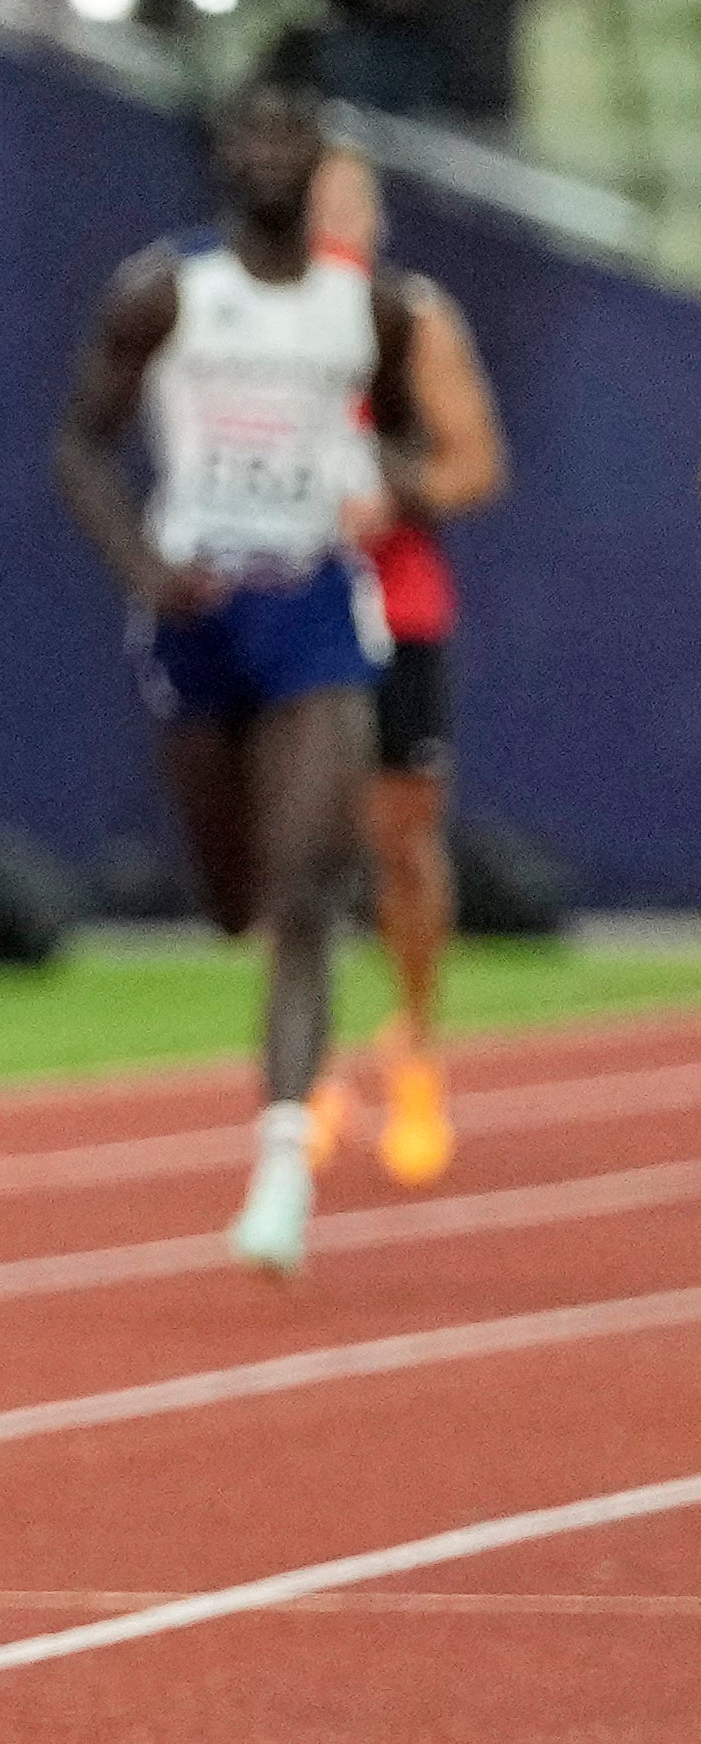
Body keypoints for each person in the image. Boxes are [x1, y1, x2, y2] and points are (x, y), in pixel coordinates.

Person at [54, 44, 421, 1279]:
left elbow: (415, 445)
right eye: (246, 133)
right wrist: (142, 570)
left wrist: (383, 487)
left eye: (289, 133)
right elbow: (76, 447)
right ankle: (262, 1005)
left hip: (309, 601)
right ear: (220, 154)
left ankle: (278, 1171)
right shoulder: (164, 293)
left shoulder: (364, 308)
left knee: (308, 884)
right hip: (195, 609)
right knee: (231, 900)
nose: (267, 152)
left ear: (317, 155)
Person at [305, 145, 506, 1185]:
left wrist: (390, 495)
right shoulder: (243, 322)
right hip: (290, 606)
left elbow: (475, 459)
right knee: (298, 839)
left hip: (396, 605)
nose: (334, 216)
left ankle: (415, 1036)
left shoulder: (409, 322)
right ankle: (316, 1059)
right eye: (314, 198)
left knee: (396, 835)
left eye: (350, 198)